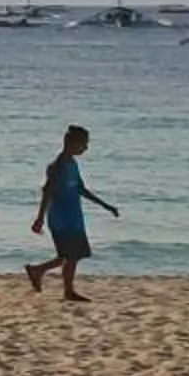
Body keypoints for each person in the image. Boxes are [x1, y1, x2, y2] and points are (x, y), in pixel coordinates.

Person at [28, 124, 118, 302]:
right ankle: (50, 279)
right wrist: (39, 219)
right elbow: (47, 192)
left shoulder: (72, 164)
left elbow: (81, 189)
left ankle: (44, 275)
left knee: (73, 255)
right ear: (70, 142)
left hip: (74, 217)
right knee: (68, 255)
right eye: (83, 144)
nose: (85, 148)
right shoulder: (57, 167)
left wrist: (106, 206)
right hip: (60, 219)